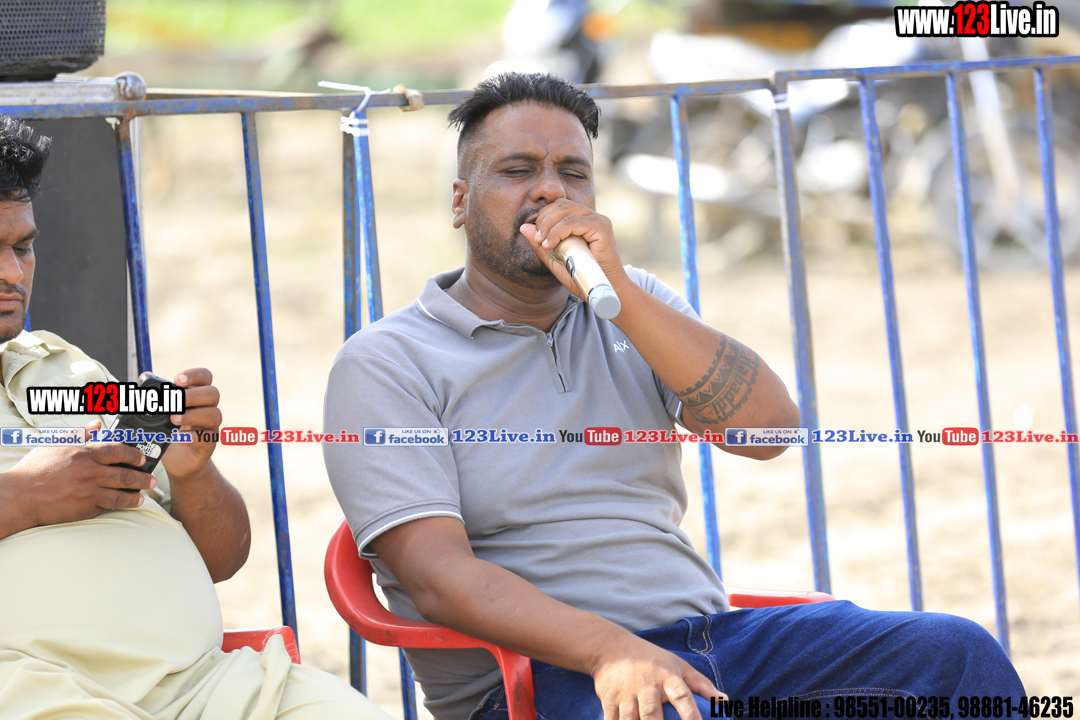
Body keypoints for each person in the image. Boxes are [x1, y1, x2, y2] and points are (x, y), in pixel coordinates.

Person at [322, 73, 1025, 720]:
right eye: (517, 171)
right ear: (460, 202)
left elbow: (769, 432)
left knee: (953, 654)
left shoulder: (636, 305)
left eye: (573, 174)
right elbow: (438, 578)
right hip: (539, 680)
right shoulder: (388, 363)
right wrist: (610, 649)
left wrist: (621, 296)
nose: (549, 191)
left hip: (715, 640)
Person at [0, 115, 391, 720]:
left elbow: (224, 558)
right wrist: (24, 495)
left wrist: (192, 471)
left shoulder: (64, 368)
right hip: (36, 688)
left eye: (22, 247)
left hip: (211, 686)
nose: (12, 273)